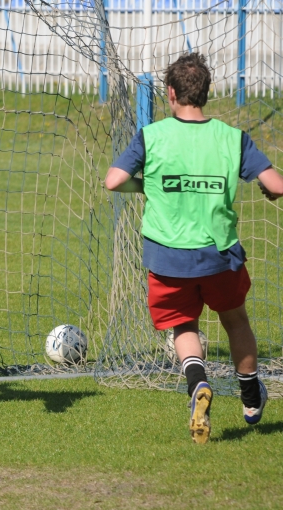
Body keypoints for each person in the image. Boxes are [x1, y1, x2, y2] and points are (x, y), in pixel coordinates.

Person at [104, 52, 283, 444]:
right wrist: (267, 193)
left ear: (170, 93)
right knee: (235, 320)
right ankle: (251, 397)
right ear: (207, 92)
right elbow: (277, 185)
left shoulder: (152, 136)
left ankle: (199, 383)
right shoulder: (233, 138)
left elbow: (114, 180)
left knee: (183, 324)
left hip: (167, 256)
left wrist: (147, 185)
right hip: (219, 255)